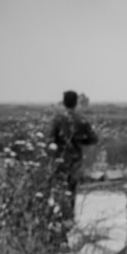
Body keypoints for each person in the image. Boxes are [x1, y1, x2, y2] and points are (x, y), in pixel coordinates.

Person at [49, 90, 98, 222]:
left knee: (59, 188)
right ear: (76, 102)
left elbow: (51, 139)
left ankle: (60, 215)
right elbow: (93, 138)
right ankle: (70, 216)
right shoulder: (81, 120)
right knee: (72, 187)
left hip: (60, 159)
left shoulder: (58, 119)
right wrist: (79, 141)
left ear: (64, 102)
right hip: (75, 160)